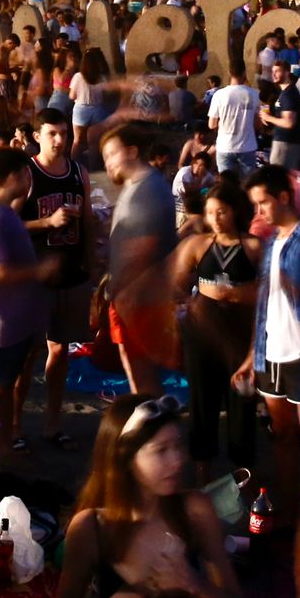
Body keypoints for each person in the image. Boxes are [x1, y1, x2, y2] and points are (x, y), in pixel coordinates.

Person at [53, 396, 248, 598]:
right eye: (161, 451)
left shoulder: (194, 511)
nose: (178, 460)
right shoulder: (92, 528)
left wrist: (197, 584)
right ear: (125, 460)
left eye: (177, 445)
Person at [232, 164, 300, 527]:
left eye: (262, 204)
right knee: (283, 436)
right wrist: (250, 356)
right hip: (271, 352)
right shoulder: (274, 241)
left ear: (284, 197)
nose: (258, 213)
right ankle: (290, 510)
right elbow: (266, 302)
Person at [0, 146, 59, 466]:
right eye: (24, 173)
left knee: (3, 388)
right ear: (11, 177)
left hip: (13, 322)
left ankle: (3, 448)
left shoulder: (5, 211)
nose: (29, 179)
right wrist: (39, 271)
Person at [169, 182, 262, 481]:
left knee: (241, 398)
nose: (215, 218)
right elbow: (175, 285)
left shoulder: (254, 246)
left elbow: (266, 296)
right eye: (210, 212)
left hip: (240, 326)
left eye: (221, 211)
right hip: (202, 328)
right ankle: (202, 470)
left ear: (235, 211)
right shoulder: (197, 245)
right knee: (202, 399)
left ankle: (242, 472)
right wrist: (180, 310)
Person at [14, 108, 95, 452]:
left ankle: (52, 423)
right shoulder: (28, 174)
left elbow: (88, 220)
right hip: (35, 279)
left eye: (64, 133)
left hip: (72, 275)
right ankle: (14, 426)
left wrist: (93, 263)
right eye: (52, 134)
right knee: (26, 354)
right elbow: (7, 224)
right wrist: (46, 223)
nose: (60, 140)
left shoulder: (79, 172)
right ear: (37, 136)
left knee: (60, 350)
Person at [101, 123, 178, 397]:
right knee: (136, 369)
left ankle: (151, 422)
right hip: (132, 297)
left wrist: (115, 291)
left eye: (112, 154)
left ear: (132, 151)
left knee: (142, 372)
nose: (108, 163)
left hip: (139, 299)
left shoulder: (147, 190)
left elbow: (142, 250)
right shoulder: (138, 186)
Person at [207, 64, 260, 179]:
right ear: (244, 73)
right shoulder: (254, 94)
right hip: (247, 146)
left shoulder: (219, 94)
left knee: (226, 184)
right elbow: (257, 123)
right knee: (246, 184)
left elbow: (211, 125)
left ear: (229, 73)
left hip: (225, 145)